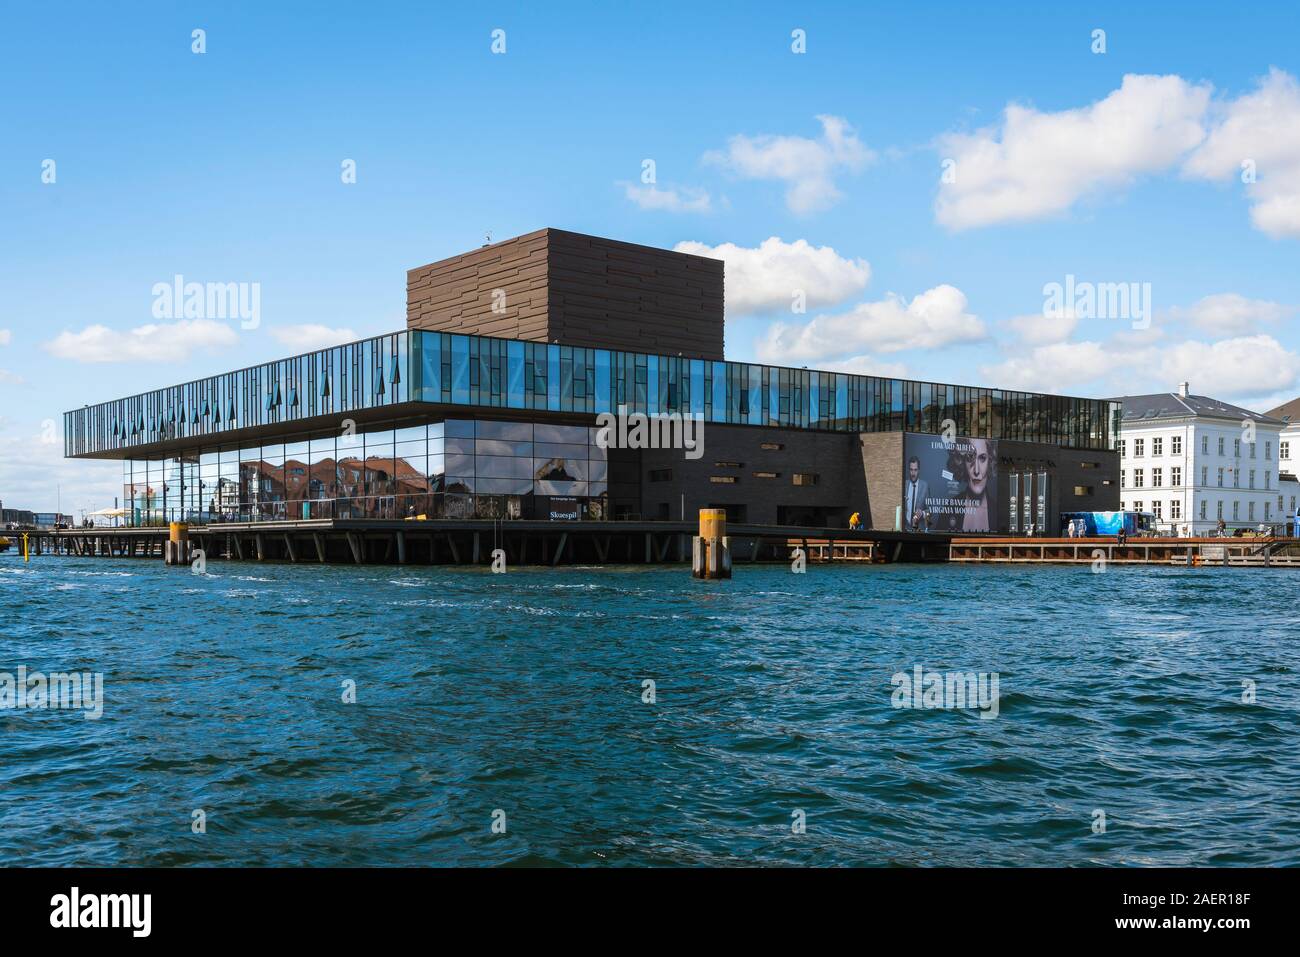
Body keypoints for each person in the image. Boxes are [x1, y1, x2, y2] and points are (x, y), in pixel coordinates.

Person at [904, 457, 928, 532]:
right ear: (909, 470)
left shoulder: (925, 486)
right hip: (904, 529)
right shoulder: (904, 484)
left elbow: (930, 510)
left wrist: (922, 513)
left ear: (919, 470)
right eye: (911, 470)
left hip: (919, 530)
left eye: (915, 470)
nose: (913, 473)